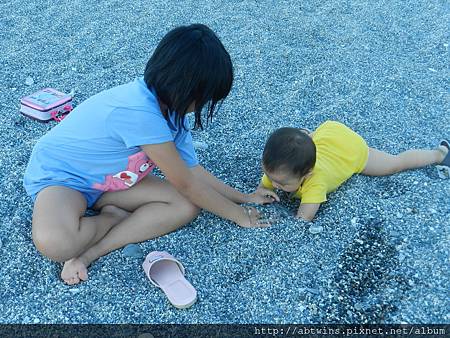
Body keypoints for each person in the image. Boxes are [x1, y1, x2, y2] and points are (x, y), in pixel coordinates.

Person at [24, 24, 277, 285]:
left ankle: (92, 251)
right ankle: (110, 218)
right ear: (188, 89)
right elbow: (187, 183)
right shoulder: (140, 112)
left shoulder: (172, 114)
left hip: (112, 182)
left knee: (185, 206)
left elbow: (192, 171)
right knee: (55, 243)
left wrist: (244, 197)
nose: (201, 106)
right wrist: (239, 216)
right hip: (64, 179)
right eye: (205, 98)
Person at [255, 120, 449, 221]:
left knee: (394, 164)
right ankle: (309, 136)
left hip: (351, 150)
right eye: (270, 176)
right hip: (327, 134)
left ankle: (439, 154)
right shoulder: (279, 170)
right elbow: (270, 177)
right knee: (299, 148)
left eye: (281, 183)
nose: (274, 184)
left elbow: (303, 218)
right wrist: (261, 188)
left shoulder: (315, 183)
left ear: (306, 175)